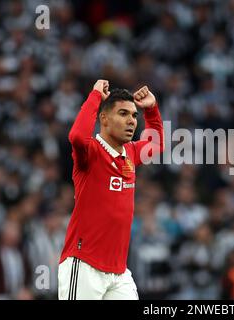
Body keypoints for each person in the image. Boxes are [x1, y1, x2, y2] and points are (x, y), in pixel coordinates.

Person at [58, 80, 164, 300]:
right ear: (103, 119)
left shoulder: (131, 153)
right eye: (123, 114)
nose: (131, 121)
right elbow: (77, 136)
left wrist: (151, 109)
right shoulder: (91, 153)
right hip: (84, 264)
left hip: (118, 272)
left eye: (134, 116)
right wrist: (95, 96)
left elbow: (156, 145)